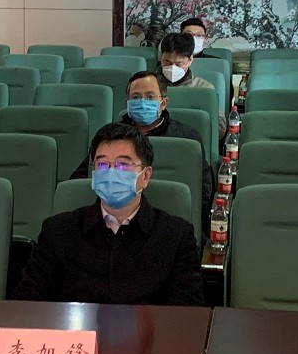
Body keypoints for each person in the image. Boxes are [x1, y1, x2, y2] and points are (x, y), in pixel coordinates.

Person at [14, 123, 204, 306]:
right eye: (103, 164)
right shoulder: (58, 231)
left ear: (145, 176)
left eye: (123, 165)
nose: (111, 172)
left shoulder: (176, 236)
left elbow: (187, 313)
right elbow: (28, 301)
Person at [72, 72, 214, 210]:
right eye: (136, 97)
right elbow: (81, 177)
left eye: (150, 97)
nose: (142, 102)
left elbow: (204, 187)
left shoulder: (186, 137)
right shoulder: (110, 136)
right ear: (128, 103)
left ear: (163, 103)